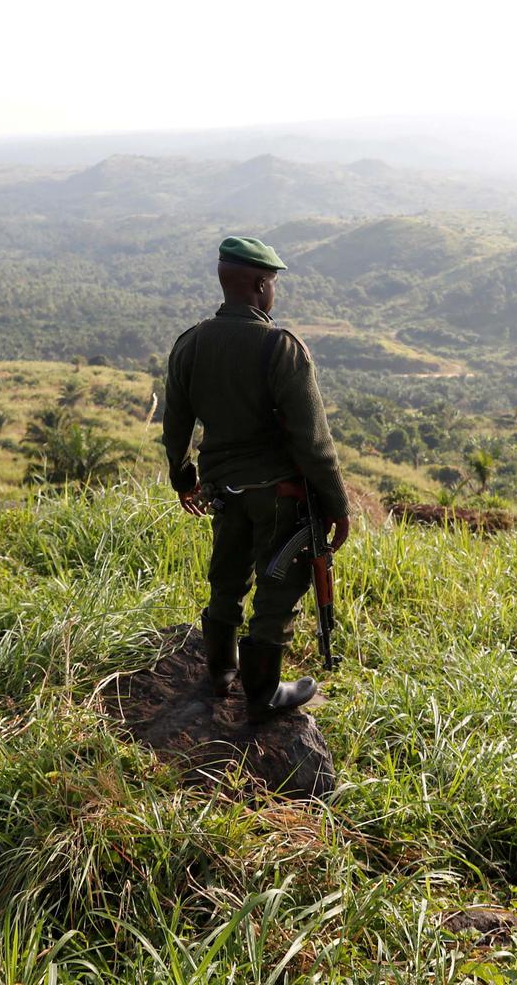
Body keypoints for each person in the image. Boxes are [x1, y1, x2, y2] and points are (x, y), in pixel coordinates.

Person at [162, 236, 352, 722]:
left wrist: (184, 479)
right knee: (279, 588)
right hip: (279, 494)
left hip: (222, 489)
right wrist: (338, 504)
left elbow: (177, 425)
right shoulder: (281, 348)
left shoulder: (191, 342)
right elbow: (314, 442)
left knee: (226, 579)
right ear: (262, 284)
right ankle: (263, 691)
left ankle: (222, 671)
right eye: (274, 285)